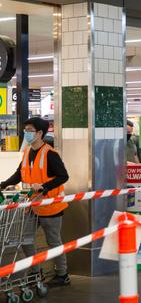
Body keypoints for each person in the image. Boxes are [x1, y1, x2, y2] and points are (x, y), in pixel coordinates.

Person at [0, 117, 71, 286]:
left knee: (53, 241)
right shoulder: (27, 152)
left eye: (30, 130)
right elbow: (19, 174)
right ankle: (35, 272)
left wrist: (45, 187)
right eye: (26, 130)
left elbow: (63, 176)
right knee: (25, 239)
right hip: (32, 205)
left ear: (39, 133)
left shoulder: (50, 153)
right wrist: (3, 184)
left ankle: (62, 274)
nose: (26, 133)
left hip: (50, 206)